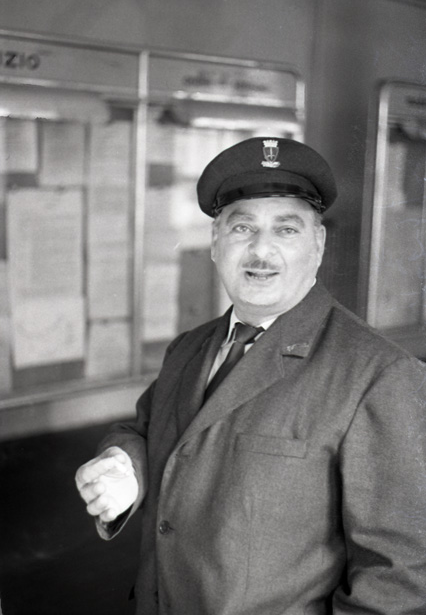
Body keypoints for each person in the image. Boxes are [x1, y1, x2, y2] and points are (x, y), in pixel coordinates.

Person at [75, 137, 426, 614]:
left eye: (286, 229)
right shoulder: (189, 349)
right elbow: (150, 430)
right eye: (242, 227)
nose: (261, 250)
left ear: (318, 245)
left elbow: (401, 578)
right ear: (215, 242)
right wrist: (126, 464)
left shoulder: (379, 375)